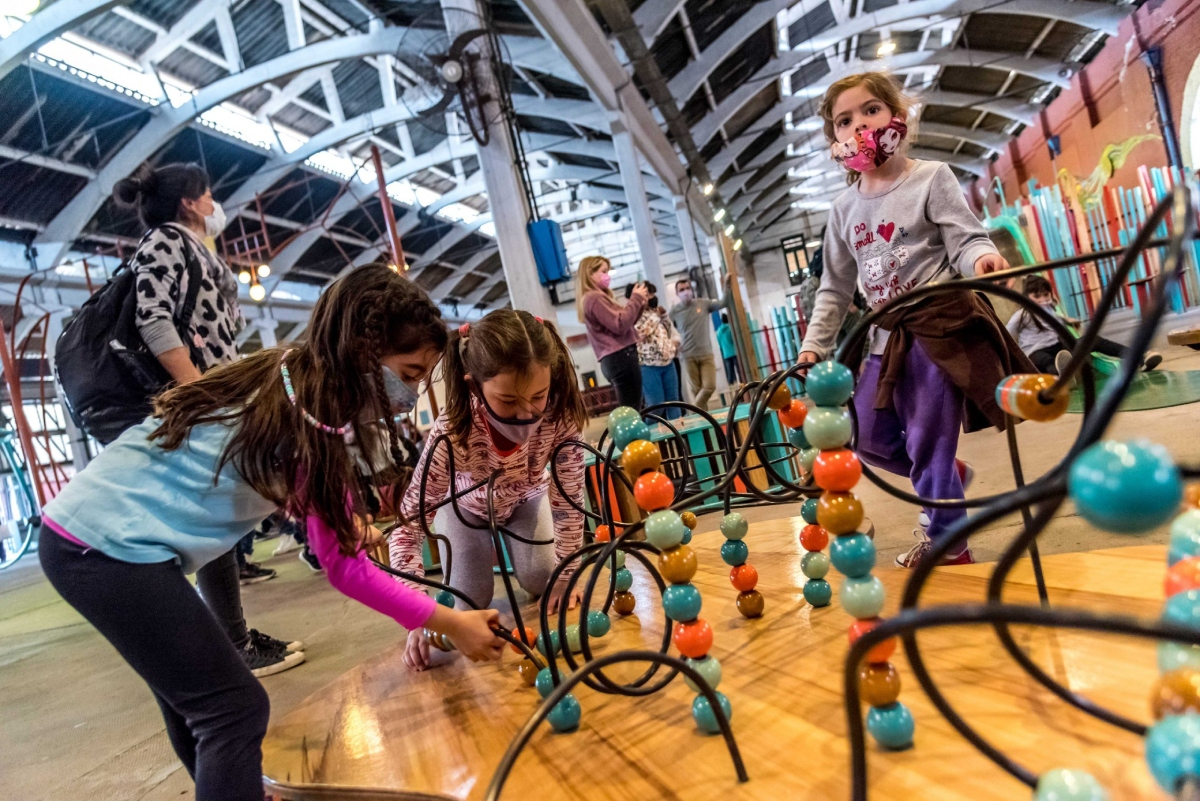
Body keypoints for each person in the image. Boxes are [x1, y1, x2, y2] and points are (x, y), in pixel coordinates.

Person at [37, 266, 505, 801]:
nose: (411, 392)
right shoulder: (308, 419)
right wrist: (451, 622)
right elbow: (346, 571)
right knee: (233, 710)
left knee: (198, 706)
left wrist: (340, 520)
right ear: (361, 353)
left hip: (86, 539)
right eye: (409, 372)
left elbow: (258, 471)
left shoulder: (287, 376)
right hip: (103, 550)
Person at [797, 72, 1034, 569]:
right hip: (883, 338)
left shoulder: (931, 177)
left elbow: (967, 238)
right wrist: (813, 346)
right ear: (834, 137)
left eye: (871, 110)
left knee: (927, 441)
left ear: (896, 115)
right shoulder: (843, 209)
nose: (859, 125)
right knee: (864, 436)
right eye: (844, 120)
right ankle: (945, 480)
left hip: (939, 329)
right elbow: (834, 288)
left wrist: (982, 259)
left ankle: (949, 545)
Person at [112, 162, 298, 675]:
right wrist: (200, 394)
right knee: (212, 518)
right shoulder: (165, 241)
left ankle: (231, 637)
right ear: (190, 202)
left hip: (215, 396)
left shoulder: (191, 246)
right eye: (209, 194)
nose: (216, 204)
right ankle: (230, 645)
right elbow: (153, 319)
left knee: (220, 519)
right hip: (198, 402)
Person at [389, 309, 589, 671]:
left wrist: (567, 573)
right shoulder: (452, 431)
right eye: (507, 401)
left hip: (527, 499)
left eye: (539, 395)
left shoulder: (561, 415)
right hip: (464, 509)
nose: (526, 413)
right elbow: (406, 528)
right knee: (469, 602)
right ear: (474, 387)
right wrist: (416, 614)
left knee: (544, 578)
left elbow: (570, 500)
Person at [1009, 274, 1162, 374]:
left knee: (1091, 339)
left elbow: (1055, 319)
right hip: (1035, 352)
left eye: (1045, 295)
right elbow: (1007, 334)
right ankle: (1060, 377)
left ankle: (1139, 357)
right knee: (1045, 360)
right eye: (1037, 296)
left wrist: (1068, 321)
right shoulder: (1021, 316)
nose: (1043, 299)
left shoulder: (1050, 309)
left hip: (1059, 349)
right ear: (1026, 297)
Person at [576, 255, 649, 409]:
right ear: (590, 273)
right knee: (632, 409)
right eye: (604, 271)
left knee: (633, 406)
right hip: (620, 356)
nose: (607, 275)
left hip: (616, 358)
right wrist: (635, 299)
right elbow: (620, 324)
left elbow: (627, 323)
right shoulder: (594, 298)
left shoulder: (595, 297)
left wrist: (639, 304)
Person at [669, 277, 728, 410]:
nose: (686, 292)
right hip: (688, 355)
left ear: (692, 290)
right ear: (677, 293)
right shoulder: (674, 311)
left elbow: (723, 303)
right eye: (682, 290)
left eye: (688, 288)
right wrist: (673, 343)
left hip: (706, 353)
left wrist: (727, 285)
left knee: (709, 386)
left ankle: (694, 410)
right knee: (696, 390)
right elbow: (666, 327)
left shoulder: (703, 303)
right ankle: (703, 418)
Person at [628, 282, 683, 420]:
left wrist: (665, 317)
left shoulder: (656, 312)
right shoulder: (632, 315)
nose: (652, 297)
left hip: (668, 362)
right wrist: (657, 316)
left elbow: (669, 331)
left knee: (674, 403)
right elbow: (641, 333)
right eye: (648, 294)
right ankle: (649, 432)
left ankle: (678, 432)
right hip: (648, 365)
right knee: (656, 406)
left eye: (652, 294)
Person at [716, 313, 741, 386]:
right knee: (739, 371)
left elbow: (719, 343)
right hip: (734, 352)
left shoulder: (718, 331)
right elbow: (733, 339)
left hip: (726, 354)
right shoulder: (730, 328)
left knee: (730, 372)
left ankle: (731, 386)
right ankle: (743, 384)